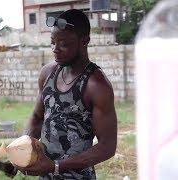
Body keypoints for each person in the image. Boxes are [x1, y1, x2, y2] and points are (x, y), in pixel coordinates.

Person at [18, 9, 117, 179]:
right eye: (52, 42)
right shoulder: (47, 73)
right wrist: (22, 149)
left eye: (63, 44)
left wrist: (56, 166)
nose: (55, 49)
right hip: (45, 175)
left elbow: (107, 147)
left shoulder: (96, 85)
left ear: (84, 41)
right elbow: (37, 117)